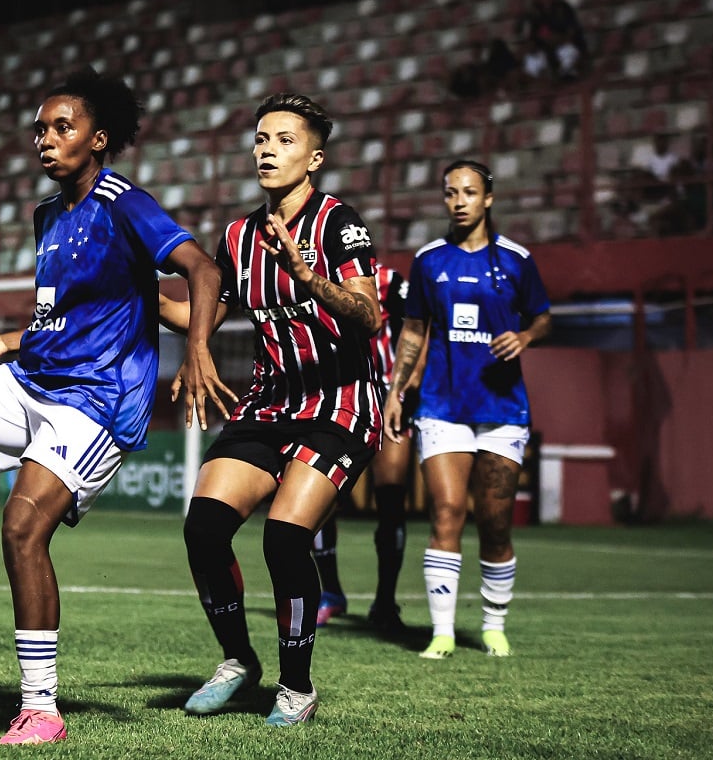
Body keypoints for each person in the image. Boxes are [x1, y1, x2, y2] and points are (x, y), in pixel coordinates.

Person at [0, 66, 229, 745]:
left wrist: (201, 349)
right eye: (39, 128)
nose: (46, 139)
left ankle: (41, 709)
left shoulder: (125, 201)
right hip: (32, 379)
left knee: (20, 528)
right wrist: (7, 341)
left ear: (98, 139)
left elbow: (203, 270)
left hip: (93, 403)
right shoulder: (48, 216)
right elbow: (70, 315)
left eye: (62, 127)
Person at [159, 93, 384, 727]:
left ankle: (297, 687)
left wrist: (310, 279)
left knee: (286, 537)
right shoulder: (237, 235)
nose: (266, 148)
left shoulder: (340, 223)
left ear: (314, 157)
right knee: (203, 529)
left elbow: (368, 315)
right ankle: (238, 661)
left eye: (283, 139)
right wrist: (138, 290)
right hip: (270, 402)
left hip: (339, 403)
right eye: (261, 138)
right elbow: (196, 316)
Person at [383, 159, 552, 661]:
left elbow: (543, 318)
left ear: (489, 199)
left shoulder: (517, 261)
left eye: (469, 192)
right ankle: (442, 633)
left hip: (502, 410)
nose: (459, 201)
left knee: (495, 523)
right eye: (450, 192)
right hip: (441, 406)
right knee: (447, 512)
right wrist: (396, 389)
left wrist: (523, 336)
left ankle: (494, 625)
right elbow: (413, 330)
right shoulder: (430, 260)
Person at [314, 261, 426, 634]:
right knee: (321, 498)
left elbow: (419, 329)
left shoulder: (390, 280)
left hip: (388, 395)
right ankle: (330, 592)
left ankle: (385, 600)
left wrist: (405, 387)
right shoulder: (316, 277)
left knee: (391, 499)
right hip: (340, 396)